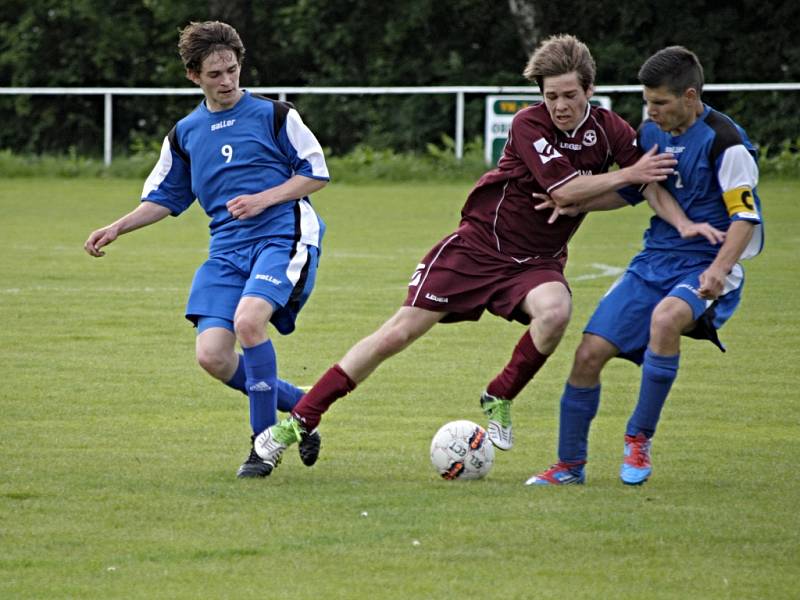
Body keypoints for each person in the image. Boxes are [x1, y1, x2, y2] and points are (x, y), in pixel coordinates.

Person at [250, 34, 683, 472]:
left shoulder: (610, 131)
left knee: (555, 313)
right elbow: (573, 186)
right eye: (551, 96)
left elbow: (638, 189)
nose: (561, 105)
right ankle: (297, 423)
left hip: (537, 260)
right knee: (395, 336)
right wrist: (608, 181)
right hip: (477, 247)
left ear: (590, 91)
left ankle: (499, 395)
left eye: (570, 95)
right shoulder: (529, 124)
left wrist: (603, 198)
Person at [83, 21, 330, 478]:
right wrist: (117, 227)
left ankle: (262, 447)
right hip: (226, 250)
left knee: (249, 322)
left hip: (283, 234)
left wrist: (264, 198)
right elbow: (163, 198)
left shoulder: (276, 115)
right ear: (194, 76)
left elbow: (315, 173)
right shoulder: (185, 133)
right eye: (215, 74)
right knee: (213, 356)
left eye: (233, 70)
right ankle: (302, 404)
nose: (227, 81)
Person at [526, 45, 764, 487]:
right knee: (588, 354)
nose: (650, 112)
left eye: (660, 103)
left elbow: (745, 219)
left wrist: (717, 270)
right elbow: (634, 190)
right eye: (646, 102)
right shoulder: (651, 135)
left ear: (690, 97)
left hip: (709, 262)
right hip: (655, 259)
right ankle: (569, 466)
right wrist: (572, 202)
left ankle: (638, 437)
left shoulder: (727, 144)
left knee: (666, 318)